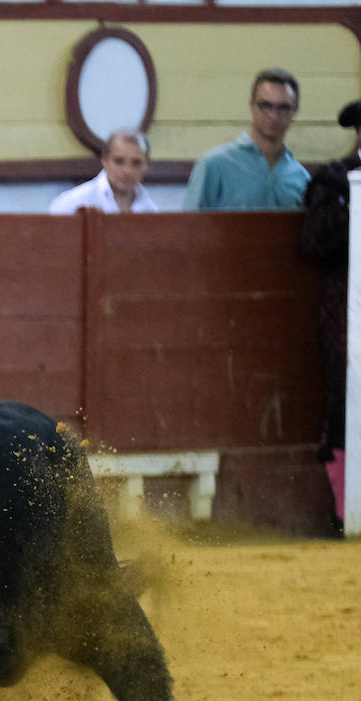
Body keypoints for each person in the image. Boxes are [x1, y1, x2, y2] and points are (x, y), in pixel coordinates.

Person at [299, 98, 361, 529]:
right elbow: (315, 247)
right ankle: (347, 514)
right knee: (346, 408)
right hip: (350, 319)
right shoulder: (337, 181)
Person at [182, 68, 309, 212]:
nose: (273, 115)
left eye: (283, 107)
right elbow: (189, 228)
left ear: (295, 111)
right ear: (252, 106)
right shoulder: (214, 165)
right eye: (265, 106)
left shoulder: (301, 178)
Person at [48, 129, 158, 215]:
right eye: (119, 161)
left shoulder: (150, 208)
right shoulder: (71, 204)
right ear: (105, 161)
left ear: (146, 166)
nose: (127, 171)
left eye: (136, 163)